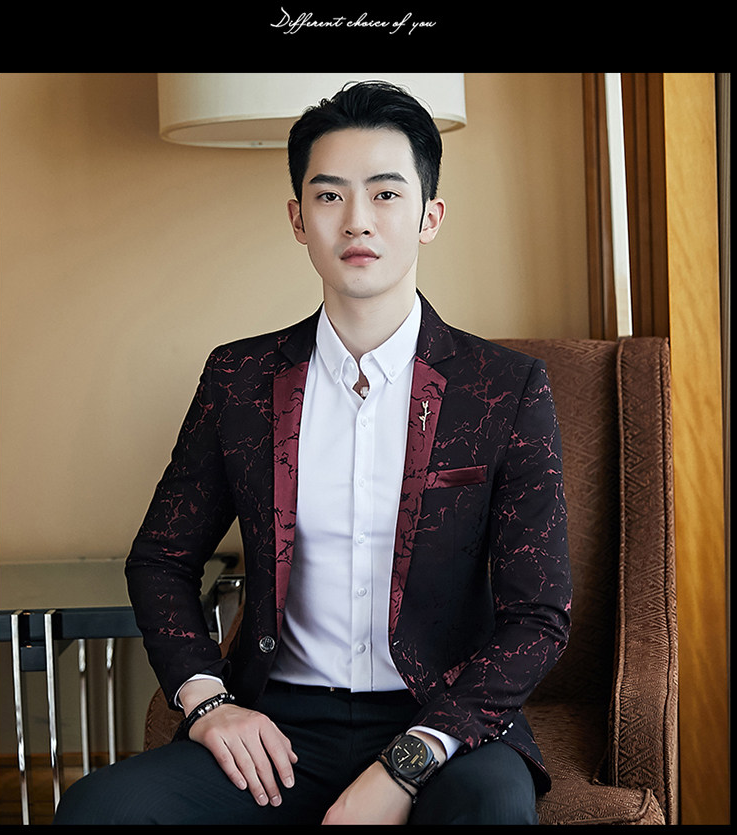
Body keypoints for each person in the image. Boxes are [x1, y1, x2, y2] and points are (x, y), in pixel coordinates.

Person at [54, 80, 571, 826]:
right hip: (280, 720)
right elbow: (161, 558)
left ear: (429, 217)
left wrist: (408, 760)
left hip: (442, 717)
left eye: (386, 194)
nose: (357, 220)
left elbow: (539, 613)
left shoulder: (503, 387)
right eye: (329, 196)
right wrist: (208, 702)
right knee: (102, 810)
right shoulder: (239, 378)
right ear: (298, 218)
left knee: (491, 808)